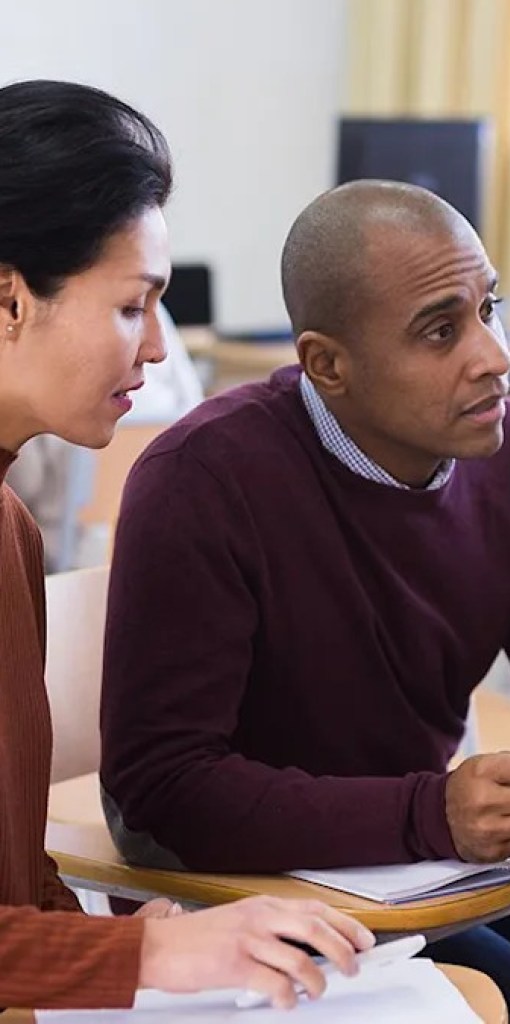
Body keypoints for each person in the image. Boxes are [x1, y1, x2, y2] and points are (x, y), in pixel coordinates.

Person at [99, 179, 510, 1023]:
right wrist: (430, 812)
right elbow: (166, 791)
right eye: (441, 330)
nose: (494, 355)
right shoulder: (203, 482)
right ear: (328, 364)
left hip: (419, 860)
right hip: (246, 888)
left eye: (490, 308)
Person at [0, 78, 374, 1010]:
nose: (161, 347)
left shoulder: (11, 531)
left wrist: (116, 938)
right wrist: (149, 962)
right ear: (9, 300)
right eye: (135, 306)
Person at [7, 302, 204, 570]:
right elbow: (195, 418)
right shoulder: (158, 318)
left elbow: (17, 491)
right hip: (154, 556)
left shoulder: (41, 342)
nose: (157, 350)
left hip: (63, 566)